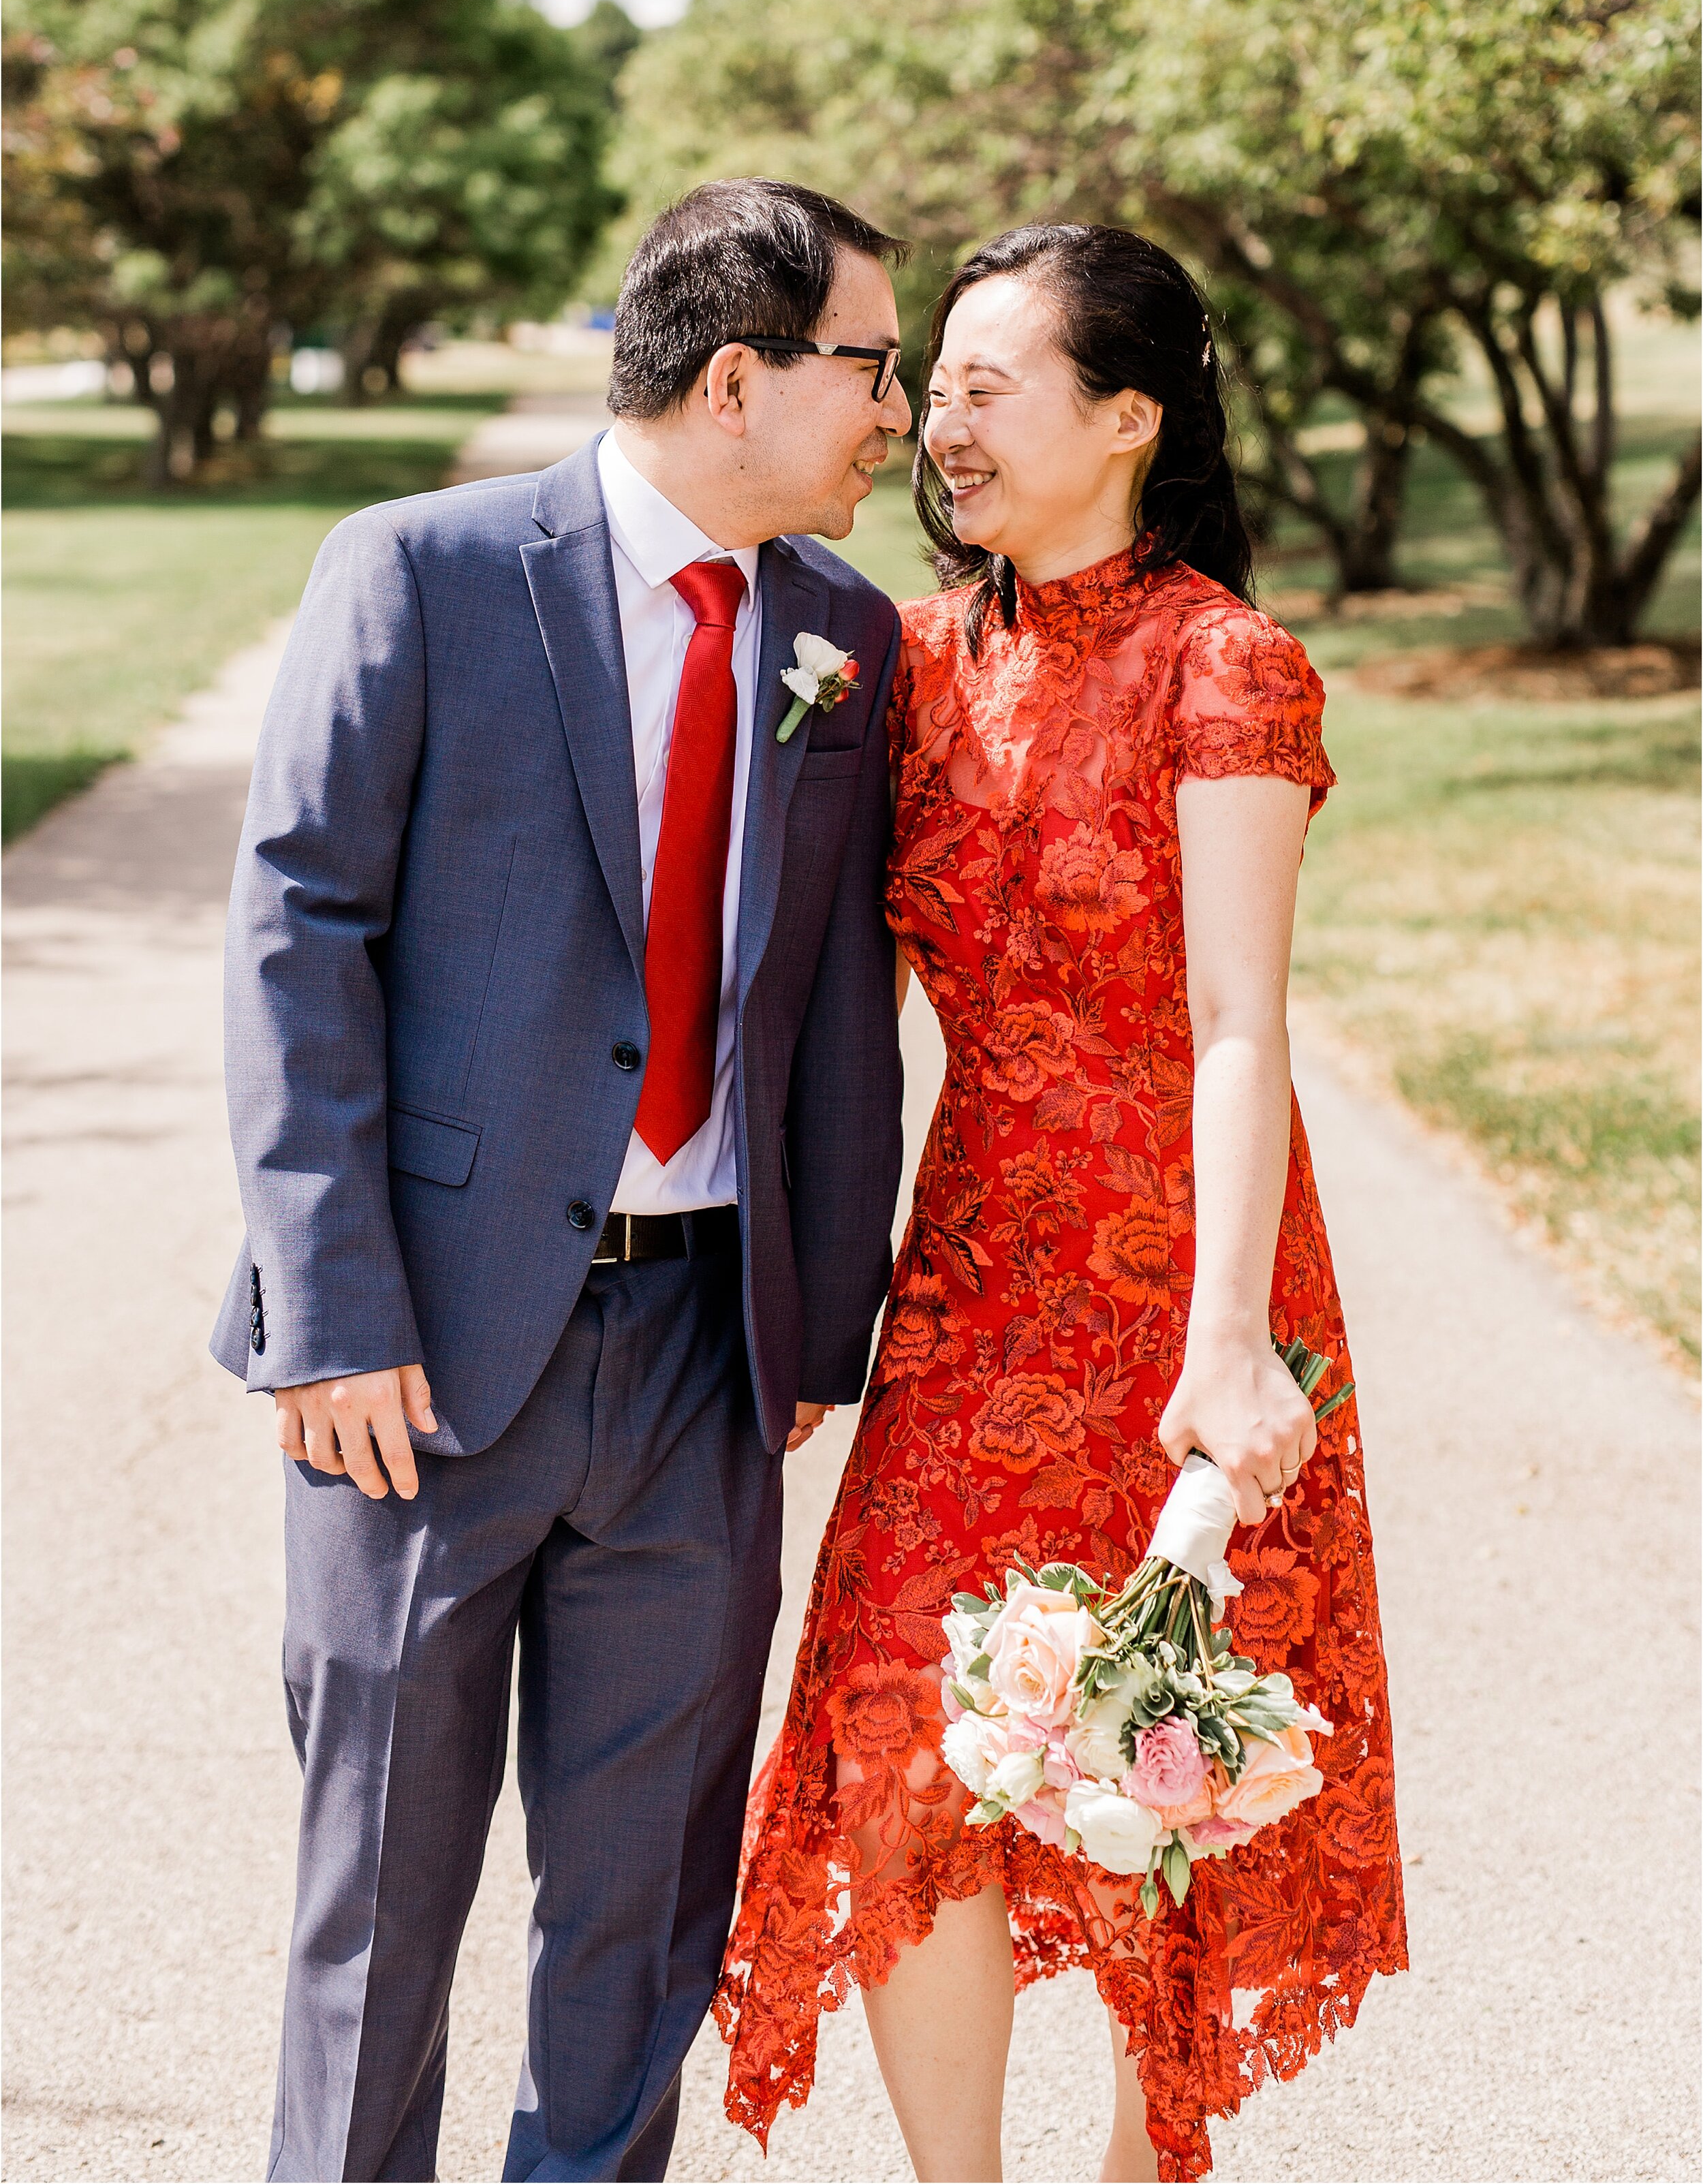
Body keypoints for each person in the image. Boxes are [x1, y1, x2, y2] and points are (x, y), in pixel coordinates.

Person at [211, 178, 911, 2181]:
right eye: (865, 365)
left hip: (703, 1354)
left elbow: (838, 1001)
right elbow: (297, 936)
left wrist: (814, 1322)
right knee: (380, 1900)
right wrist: (329, 1309)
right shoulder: (418, 572)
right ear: (730, 379)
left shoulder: (841, 637)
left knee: (637, 1909)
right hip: (415, 1358)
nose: (891, 411)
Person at [716, 224, 1407, 2184]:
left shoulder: (1223, 662)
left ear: (1126, 415)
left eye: (985, 381)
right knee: (901, 1736)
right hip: (970, 1288)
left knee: (1165, 1749)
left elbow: (1231, 1022)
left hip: (1189, 1291)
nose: (939, 418)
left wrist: (1219, 1343)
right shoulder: (905, 658)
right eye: (927, 382)